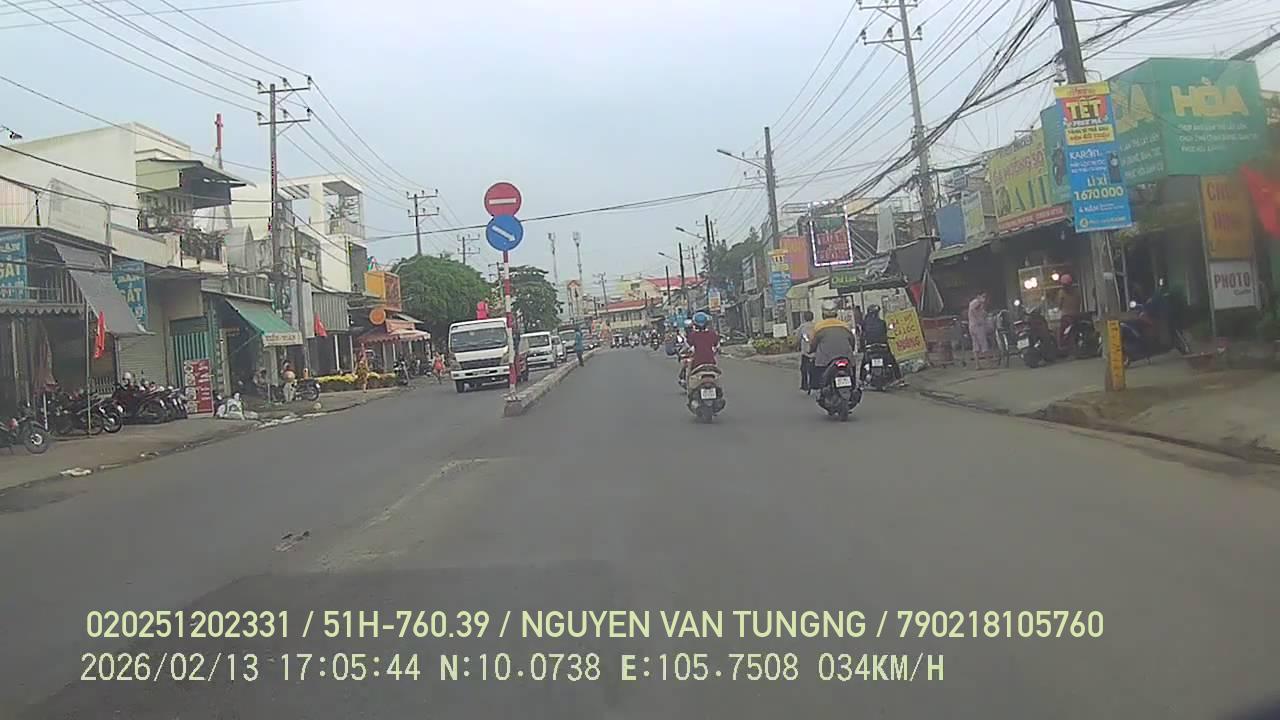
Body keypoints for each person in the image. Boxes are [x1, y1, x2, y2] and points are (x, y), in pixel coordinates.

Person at [809, 300, 858, 391]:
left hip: (825, 360)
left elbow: (813, 343)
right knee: (852, 368)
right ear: (836, 313)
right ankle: (854, 386)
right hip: (846, 357)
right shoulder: (845, 326)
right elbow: (852, 341)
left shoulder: (818, 327)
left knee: (818, 372)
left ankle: (820, 388)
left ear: (823, 314)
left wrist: (811, 350)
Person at [860, 305, 903, 383]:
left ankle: (861, 380)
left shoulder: (865, 323)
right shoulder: (882, 322)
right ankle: (899, 378)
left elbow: (863, 335)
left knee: (864, 363)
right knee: (892, 361)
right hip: (882, 346)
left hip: (870, 347)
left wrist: (862, 347)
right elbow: (885, 333)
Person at [797, 310, 816, 393]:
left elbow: (798, 337)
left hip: (805, 351)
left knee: (803, 369)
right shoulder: (816, 326)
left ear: (804, 318)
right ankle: (815, 383)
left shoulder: (802, 327)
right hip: (816, 351)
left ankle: (804, 385)